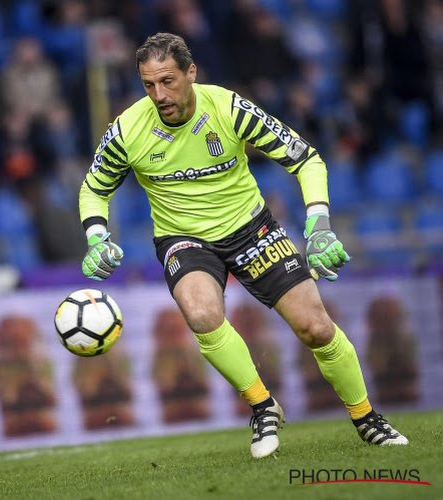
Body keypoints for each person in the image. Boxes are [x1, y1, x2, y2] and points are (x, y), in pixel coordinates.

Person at [78, 33, 408, 458]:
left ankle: (366, 418)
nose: (159, 95)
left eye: (167, 80)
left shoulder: (228, 108)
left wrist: (319, 225)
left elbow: (305, 158)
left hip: (252, 228)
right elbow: (93, 189)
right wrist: (96, 236)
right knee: (200, 312)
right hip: (184, 238)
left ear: (190, 72)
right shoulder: (127, 129)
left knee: (315, 327)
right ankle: (262, 405)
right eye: (148, 85)